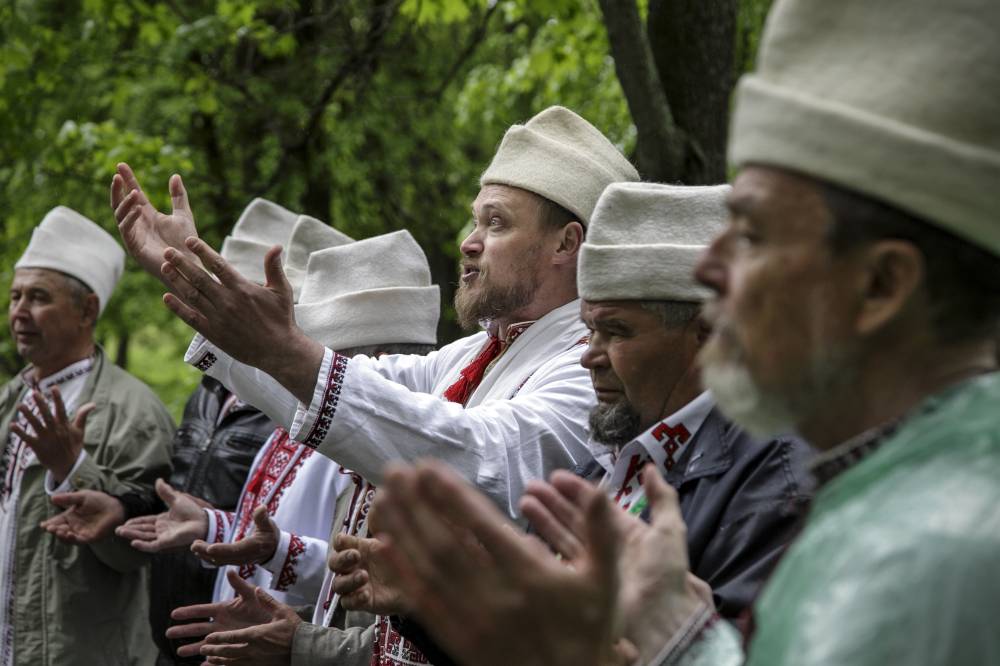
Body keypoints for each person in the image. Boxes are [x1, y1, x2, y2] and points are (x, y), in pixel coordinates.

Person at [362, 0, 1000, 664]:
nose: (712, 271)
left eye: (750, 235)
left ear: (880, 286)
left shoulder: (941, 551)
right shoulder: (890, 488)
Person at [112, 106, 638, 665]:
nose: (469, 241)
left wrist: (278, 345)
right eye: (475, 221)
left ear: (566, 243)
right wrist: (197, 290)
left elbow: (481, 456)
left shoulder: (590, 365)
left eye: (497, 223)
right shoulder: (478, 353)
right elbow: (350, 388)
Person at [123, 230, 440, 665]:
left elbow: (395, 638)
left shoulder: (397, 459)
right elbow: (335, 586)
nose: (307, 376)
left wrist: (295, 639)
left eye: (326, 361)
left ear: (384, 362)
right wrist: (245, 538)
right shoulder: (311, 426)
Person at [1, 206, 174, 665]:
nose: (19, 311)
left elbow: (139, 549)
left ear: (87, 309)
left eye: (38, 297)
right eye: (15, 296)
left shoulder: (134, 412)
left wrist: (72, 469)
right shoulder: (9, 399)